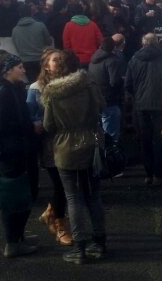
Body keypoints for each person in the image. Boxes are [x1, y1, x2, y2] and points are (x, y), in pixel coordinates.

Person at [42, 50, 106, 263]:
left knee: (73, 198)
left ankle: (79, 248)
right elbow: (100, 108)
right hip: (90, 142)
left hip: (65, 147)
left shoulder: (52, 92)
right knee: (93, 196)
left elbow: (48, 125)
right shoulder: (88, 85)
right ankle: (99, 242)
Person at [0, 54, 37, 258]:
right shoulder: (4, 91)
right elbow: (3, 124)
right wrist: (31, 127)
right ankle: (13, 242)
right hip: (9, 151)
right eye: (19, 67)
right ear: (7, 70)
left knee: (16, 194)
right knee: (13, 196)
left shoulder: (5, 89)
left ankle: (16, 238)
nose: (23, 70)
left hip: (8, 150)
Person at [26, 49, 73, 246]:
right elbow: (30, 114)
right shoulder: (36, 88)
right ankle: (60, 225)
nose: (59, 62)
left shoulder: (70, 84)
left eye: (61, 59)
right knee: (60, 184)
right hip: (49, 142)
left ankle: (51, 212)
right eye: (55, 60)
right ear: (46, 65)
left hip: (69, 140)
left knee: (68, 184)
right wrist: (39, 123)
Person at [125, 33, 162, 186]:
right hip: (160, 104)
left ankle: (148, 174)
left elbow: (128, 84)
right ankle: (160, 174)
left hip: (140, 106)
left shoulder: (134, 59)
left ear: (143, 43)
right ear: (156, 43)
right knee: (160, 140)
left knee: (145, 141)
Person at [89, 38, 125, 142]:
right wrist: (122, 81)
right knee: (111, 133)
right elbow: (114, 82)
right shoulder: (112, 61)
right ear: (113, 48)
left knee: (99, 131)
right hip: (110, 99)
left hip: (95, 98)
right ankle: (111, 153)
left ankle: (102, 152)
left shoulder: (93, 60)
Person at [12, 3, 53, 82]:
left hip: (26, 61)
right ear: (31, 12)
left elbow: (17, 46)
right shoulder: (40, 25)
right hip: (41, 59)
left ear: (19, 14)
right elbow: (49, 42)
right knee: (45, 82)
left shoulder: (15, 30)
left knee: (33, 84)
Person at [62, 4, 103, 69]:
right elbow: (100, 41)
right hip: (93, 59)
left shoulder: (68, 25)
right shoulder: (93, 24)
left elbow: (66, 45)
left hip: (75, 60)